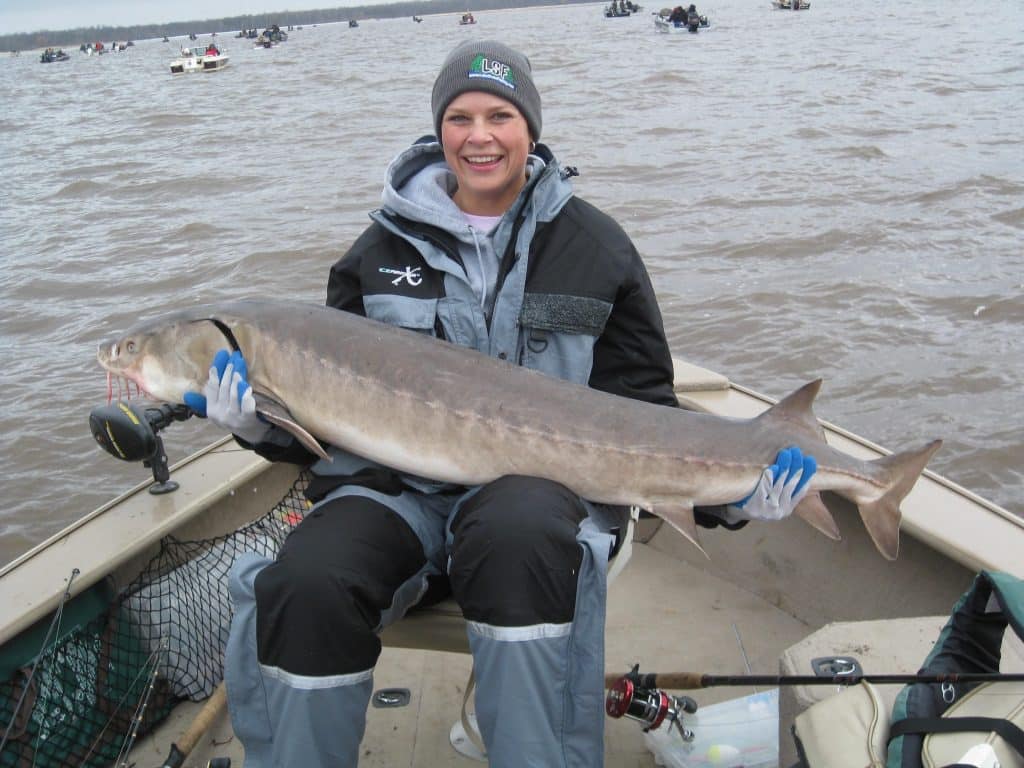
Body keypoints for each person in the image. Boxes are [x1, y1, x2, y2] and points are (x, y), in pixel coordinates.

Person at [185, 40, 817, 767]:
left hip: (543, 500)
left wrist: (734, 498)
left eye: (499, 115)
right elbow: (325, 426)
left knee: (517, 538)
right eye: (459, 117)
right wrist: (256, 425)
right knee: (305, 581)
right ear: (438, 130)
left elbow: (643, 412)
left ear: (530, 128)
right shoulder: (374, 253)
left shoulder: (597, 247)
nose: (478, 136)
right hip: (399, 496)